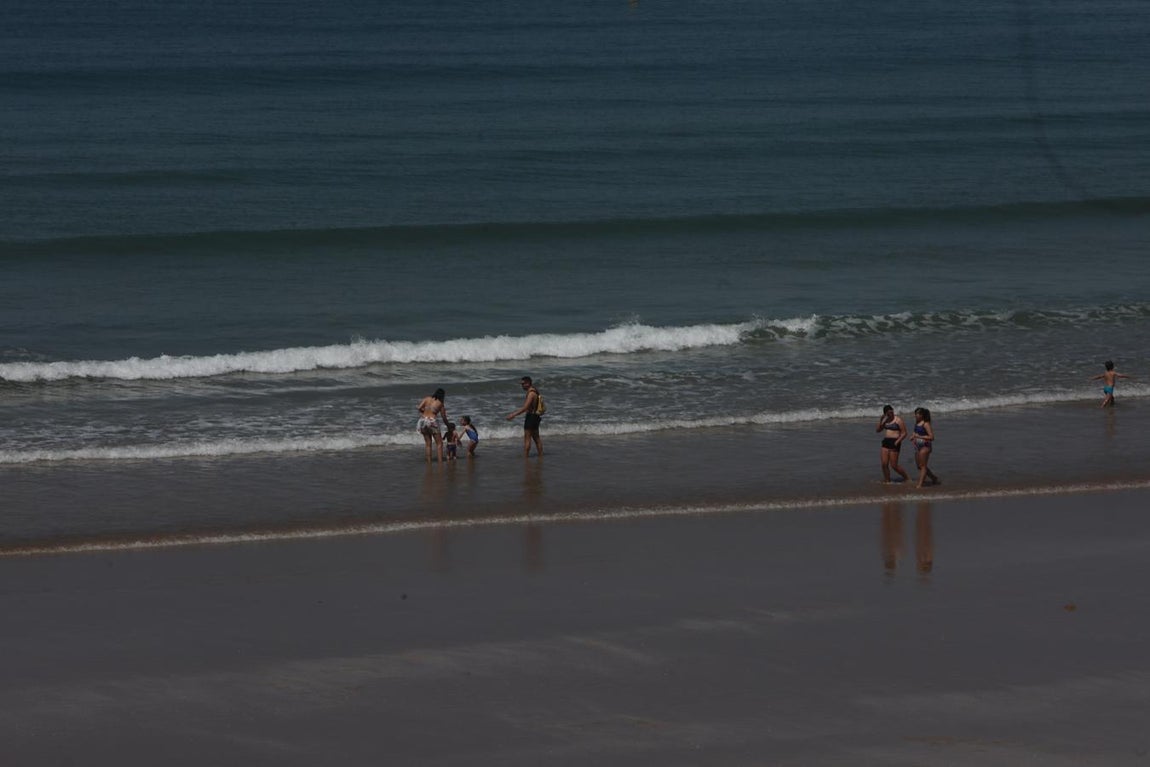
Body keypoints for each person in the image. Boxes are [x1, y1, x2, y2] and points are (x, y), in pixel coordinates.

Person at [506, 376, 544, 457]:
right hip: (536, 417)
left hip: (531, 418)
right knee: (537, 439)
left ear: (528, 383)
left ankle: (526, 457)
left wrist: (513, 415)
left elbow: (525, 408)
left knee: (527, 439)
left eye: (523, 384)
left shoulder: (531, 393)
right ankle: (541, 456)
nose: (522, 386)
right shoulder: (535, 391)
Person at [875, 405, 909, 483]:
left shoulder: (898, 420)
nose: (891, 414)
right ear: (885, 414)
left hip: (895, 442)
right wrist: (881, 420)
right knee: (884, 464)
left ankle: (907, 477)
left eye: (892, 412)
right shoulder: (885, 420)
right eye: (889, 413)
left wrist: (897, 441)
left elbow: (904, 433)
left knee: (894, 465)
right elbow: (878, 430)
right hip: (886, 442)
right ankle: (887, 480)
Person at [416, 388, 448, 463]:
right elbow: (444, 417)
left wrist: (424, 412)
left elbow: (419, 408)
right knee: (439, 443)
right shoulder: (440, 403)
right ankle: (440, 462)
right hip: (432, 422)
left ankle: (429, 462)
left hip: (422, 421)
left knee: (428, 443)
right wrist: (448, 425)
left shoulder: (427, 399)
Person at [911, 407, 939, 488]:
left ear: (922, 415)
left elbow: (932, 437)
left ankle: (920, 484)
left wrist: (919, 436)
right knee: (919, 466)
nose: (916, 415)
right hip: (917, 446)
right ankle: (933, 478)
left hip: (925, 446)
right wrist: (912, 436)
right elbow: (915, 432)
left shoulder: (926, 424)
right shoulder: (917, 422)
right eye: (915, 414)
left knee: (923, 466)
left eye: (917, 414)